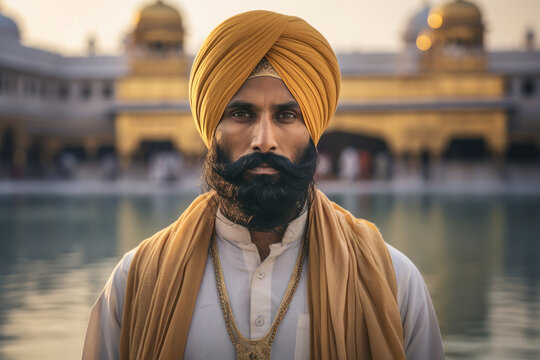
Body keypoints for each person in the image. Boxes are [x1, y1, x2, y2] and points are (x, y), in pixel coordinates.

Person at [82, 10, 444, 360]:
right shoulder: (137, 284)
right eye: (242, 114)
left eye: (287, 115)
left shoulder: (391, 282)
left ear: (312, 131)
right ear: (212, 131)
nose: (264, 140)